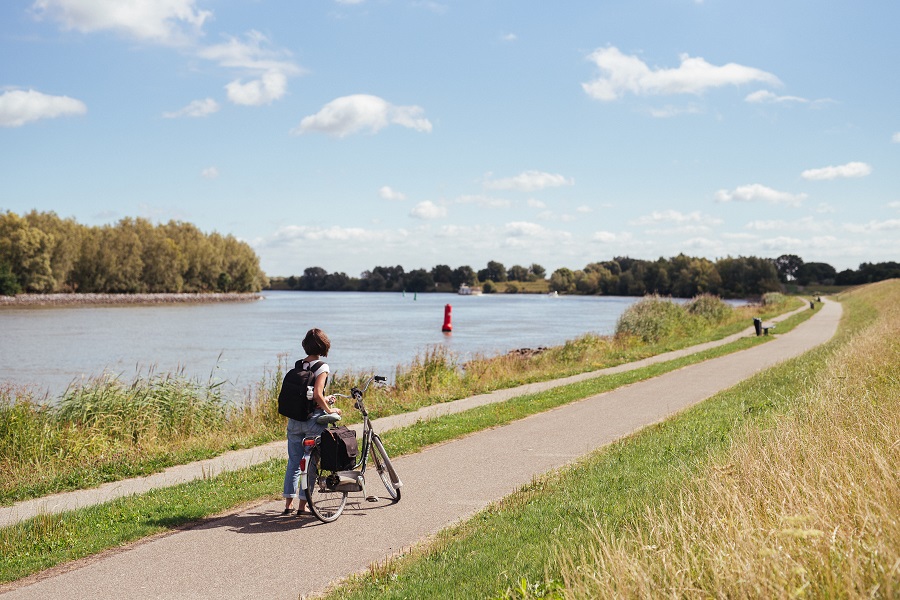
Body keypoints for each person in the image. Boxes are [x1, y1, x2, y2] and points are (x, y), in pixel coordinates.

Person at [282, 328, 342, 515]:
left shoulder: (299, 364)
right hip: (313, 422)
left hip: (294, 419)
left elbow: (308, 394)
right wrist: (329, 409)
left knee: (293, 462)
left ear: (306, 345)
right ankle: (303, 505)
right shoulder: (322, 367)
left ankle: (287, 505)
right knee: (310, 464)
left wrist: (325, 398)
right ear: (324, 346)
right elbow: (317, 394)